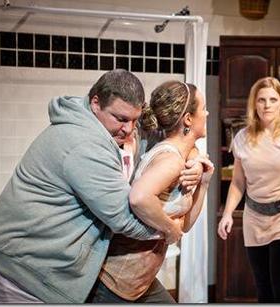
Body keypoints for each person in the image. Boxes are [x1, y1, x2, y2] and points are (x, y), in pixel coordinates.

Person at [0, 69, 203, 303]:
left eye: (133, 120)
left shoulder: (106, 128)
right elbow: (124, 219)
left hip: (40, 262)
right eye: (120, 119)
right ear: (96, 102)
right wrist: (171, 230)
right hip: (21, 270)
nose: (129, 129)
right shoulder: (83, 144)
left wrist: (195, 159)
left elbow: (175, 138)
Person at [87, 80, 214, 303]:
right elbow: (139, 197)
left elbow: (184, 225)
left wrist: (204, 182)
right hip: (113, 284)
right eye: (203, 108)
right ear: (188, 119)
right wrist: (169, 230)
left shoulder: (181, 156)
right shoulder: (171, 160)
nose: (207, 112)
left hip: (140, 284)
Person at [217, 77, 280, 303]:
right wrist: (228, 213)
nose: (267, 105)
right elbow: (238, 182)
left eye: (273, 99)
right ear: (254, 104)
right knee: (262, 287)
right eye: (261, 100)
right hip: (255, 219)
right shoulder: (243, 137)